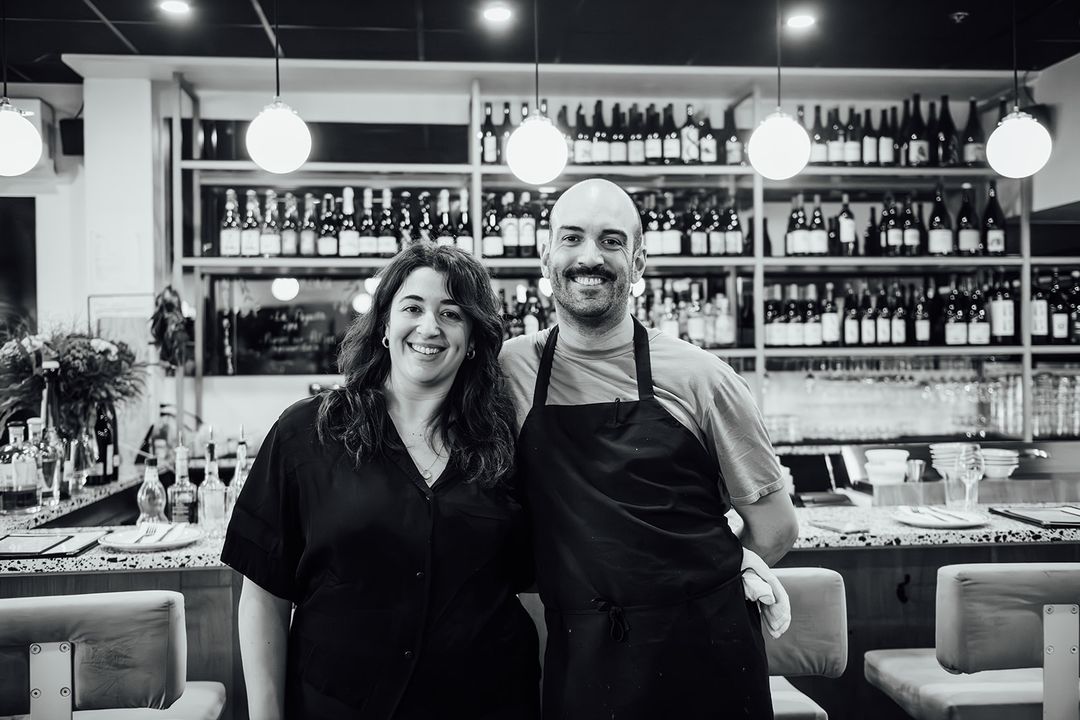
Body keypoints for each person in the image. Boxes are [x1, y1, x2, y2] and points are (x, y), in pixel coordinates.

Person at [501, 178, 799, 719]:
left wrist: (716, 575)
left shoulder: (704, 378)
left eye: (612, 241)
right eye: (572, 238)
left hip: (704, 650)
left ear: (638, 262)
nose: (590, 257)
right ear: (546, 257)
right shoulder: (509, 371)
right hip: (583, 654)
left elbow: (776, 527)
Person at [221, 243, 540, 720]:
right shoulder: (307, 433)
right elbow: (265, 595)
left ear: (473, 338)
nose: (429, 327)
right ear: (385, 327)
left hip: (484, 702)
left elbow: (532, 587)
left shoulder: (507, 444)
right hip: (339, 704)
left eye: (451, 313)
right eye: (412, 308)